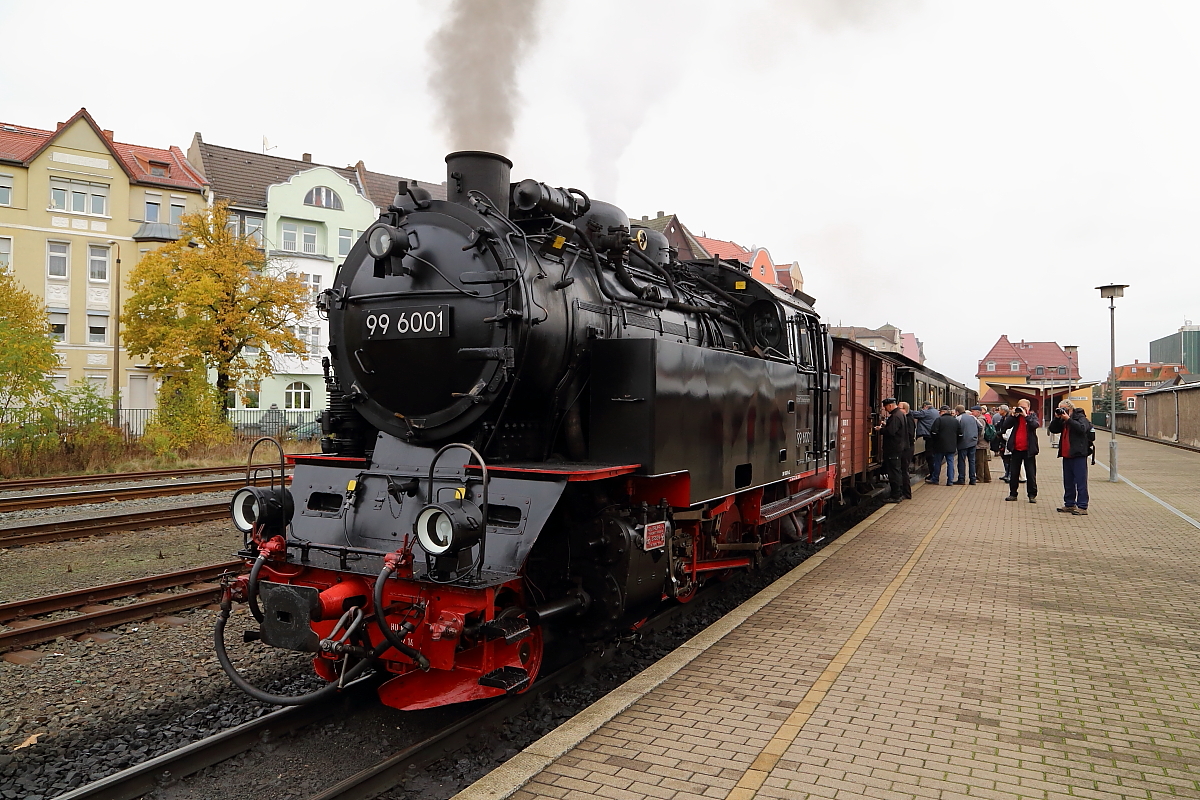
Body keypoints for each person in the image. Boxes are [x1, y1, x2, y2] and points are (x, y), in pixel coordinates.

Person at [1047, 400, 1092, 515]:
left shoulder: (1080, 417)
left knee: (1080, 481)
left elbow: (1082, 429)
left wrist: (1068, 419)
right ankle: (1069, 504)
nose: (1062, 411)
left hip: (1078, 454)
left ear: (1070, 409)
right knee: (1068, 481)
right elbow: (1053, 429)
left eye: (1064, 409)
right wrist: (1057, 418)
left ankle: (1082, 506)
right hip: (1067, 454)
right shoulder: (1063, 420)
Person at [998, 398, 1039, 502]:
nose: (1022, 410)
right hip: (1016, 449)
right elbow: (1005, 426)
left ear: (1029, 408)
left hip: (1029, 450)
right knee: (1014, 473)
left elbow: (1034, 425)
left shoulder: (1032, 416)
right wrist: (1012, 416)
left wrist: (1025, 416)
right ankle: (1013, 494)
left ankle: (1032, 495)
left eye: (1024, 408)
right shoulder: (1015, 418)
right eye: (1021, 407)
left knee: (1030, 473)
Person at [875, 398, 908, 502]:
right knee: (896, 471)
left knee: (894, 473)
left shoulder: (895, 416)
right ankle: (898, 494)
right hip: (898, 447)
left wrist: (881, 430)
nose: (885, 409)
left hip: (893, 448)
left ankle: (895, 496)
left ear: (890, 405)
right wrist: (886, 425)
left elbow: (891, 432)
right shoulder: (900, 414)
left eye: (885, 407)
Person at [927, 405, 958, 485]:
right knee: (950, 463)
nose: (939, 413)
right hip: (951, 446)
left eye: (940, 412)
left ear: (943, 412)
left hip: (939, 446)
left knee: (937, 463)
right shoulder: (955, 421)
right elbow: (960, 433)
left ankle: (935, 479)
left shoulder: (938, 420)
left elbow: (933, 432)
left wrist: (936, 440)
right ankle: (950, 481)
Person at [954, 404, 978, 485]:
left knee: (961, 461)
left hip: (963, 443)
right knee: (972, 461)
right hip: (973, 442)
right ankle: (973, 479)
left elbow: (956, 430)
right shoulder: (973, 417)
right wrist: (976, 435)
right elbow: (981, 427)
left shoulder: (958, 418)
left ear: (957, 412)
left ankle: (961, 479)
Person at [898, 402, 916, 500]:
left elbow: (909, 434)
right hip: (907, 447)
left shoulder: (908, 419)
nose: (897, 408)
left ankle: (906, 493)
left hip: (907, 448)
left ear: (904, 409)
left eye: (899, 407)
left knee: (904, 470)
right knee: (903, 470)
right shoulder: (907, 418)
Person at [971, 406, 992, 483]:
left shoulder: (980, 420)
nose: (972, 413)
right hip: (983, 443)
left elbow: (980, 432)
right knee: (984, 461)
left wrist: (976, 441)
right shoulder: (983, 419)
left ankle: (980, 477)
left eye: (973, 411)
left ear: (978, 412)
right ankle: (987, 477)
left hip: (980, 444)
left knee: (979, 461)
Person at [991, 404, 1011, 480]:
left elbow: (1006, 428)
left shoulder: (1008, 418)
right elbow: (999, 426)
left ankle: (1009, 474)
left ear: (1003, 410)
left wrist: (999, 433)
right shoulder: (1003, 418)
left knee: (1008, 458)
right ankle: (1006, 473)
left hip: (1006, 440)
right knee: (1004, 457)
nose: (998, 411)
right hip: (1002, 439)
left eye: (999, 409)